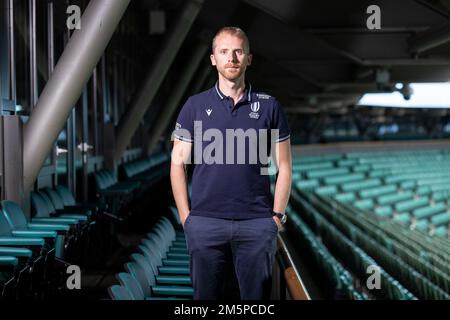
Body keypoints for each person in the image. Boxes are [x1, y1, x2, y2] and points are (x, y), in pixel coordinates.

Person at [170, 26, 292, 300]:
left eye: (238, 51)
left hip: (256, 224)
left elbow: (284, 166)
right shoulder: (194, 106)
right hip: (205, 223)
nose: (231, 58)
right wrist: (186, 217)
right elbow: (177, 164)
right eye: (224, 52)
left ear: (249, 58)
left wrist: (277, 217)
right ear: (213, 58)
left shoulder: (270, 106)